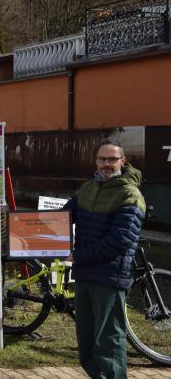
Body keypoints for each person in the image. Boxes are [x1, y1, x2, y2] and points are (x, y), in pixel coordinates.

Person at [64, 139, 145, 379]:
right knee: (87, 338)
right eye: (102, 159)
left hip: (109, 276)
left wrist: (78, 256)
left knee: (109, 339)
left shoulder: (129, 194)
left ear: (123, 161)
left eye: (112, 159)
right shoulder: (88, 188)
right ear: (96, 161)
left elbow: (119, 241)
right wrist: (25, 227)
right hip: (85, 274)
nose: (106, 164)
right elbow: (62, 217)